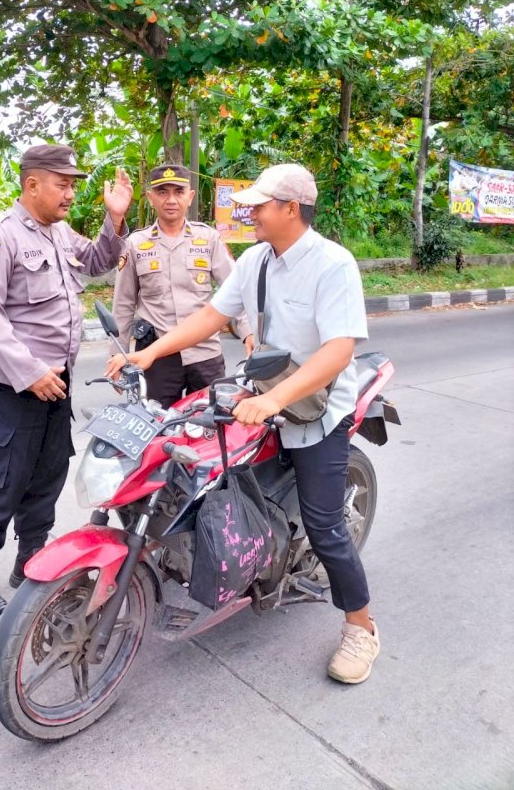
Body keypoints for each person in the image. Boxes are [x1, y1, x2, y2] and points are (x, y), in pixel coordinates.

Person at [106, 162, 379, 684]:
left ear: (291, 210)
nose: (248, 211)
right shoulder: (256, 259)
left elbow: (340, 349)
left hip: (318, 409)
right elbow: (210, 317)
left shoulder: (333, 264)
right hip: (262, 393)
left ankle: (361, 627)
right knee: (198, 466)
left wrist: (275, 398)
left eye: (260, 204)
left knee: (325, 525)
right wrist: (149, 354)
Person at [0, 143, 133, 629]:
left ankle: (30, 565)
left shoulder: (58, 233)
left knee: (47, 478)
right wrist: (29, 371)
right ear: (32, 184)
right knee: (1, 485)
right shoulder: (0, 237)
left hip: (57, 386)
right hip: (16, 387)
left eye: (74, 184)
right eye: (63, 183)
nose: (71, 192)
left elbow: (98, 260)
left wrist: (114, 219)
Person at [111, 164, 253, 408]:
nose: (171, 199)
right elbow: (123, 305)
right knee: (156, 429)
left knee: (212, 429)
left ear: (190, 197)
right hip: (157, 357)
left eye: (178, 191)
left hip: (205, 353)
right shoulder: (135, 244)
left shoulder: (208, 239)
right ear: (151, 198)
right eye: (163, 192)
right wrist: (119, 355)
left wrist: (248, 332)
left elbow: (235, 290)